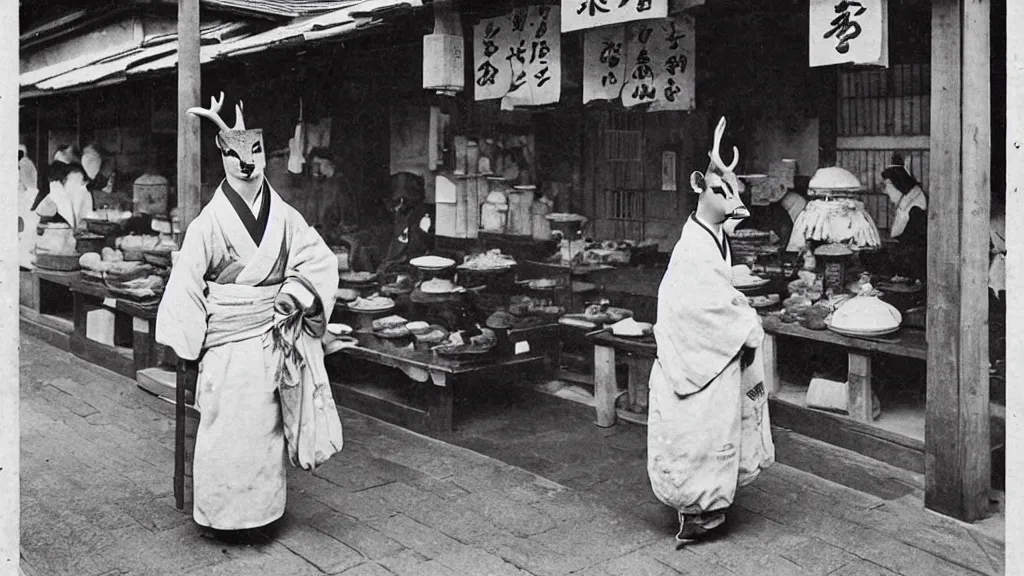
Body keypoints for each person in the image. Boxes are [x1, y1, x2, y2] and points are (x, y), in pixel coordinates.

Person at [156, 93, 343, 533]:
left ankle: (262, 516)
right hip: (226, 339)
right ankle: (219, 517)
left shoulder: (284, 215)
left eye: (254, 151)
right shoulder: (209, 222)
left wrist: (296, 293)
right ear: (223, 157)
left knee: (265, 429)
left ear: (262, 154)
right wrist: (189, 339)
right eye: (235, 153)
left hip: (269, 337)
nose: (246, 163)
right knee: (223, 426)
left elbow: (318, 259)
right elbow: (186, 279)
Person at [648, 118, 774, 543]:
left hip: (713, 352)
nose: (733, 201)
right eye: (722, 191)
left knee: (716, 428)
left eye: (733, 192)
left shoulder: (714, 236)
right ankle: (697, 511)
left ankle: (711, 509)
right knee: (695, 431)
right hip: (695, 353)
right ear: (700, 186)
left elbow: (718, 290)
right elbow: (698, 303)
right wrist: (746, 325)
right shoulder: (693, 248)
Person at [881, 154, 927, 280]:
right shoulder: (905, 203)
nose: (885, 191)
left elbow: (913, 247)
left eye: (887, 185)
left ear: (898, 185)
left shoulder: (916, 209)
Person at [35, 162, 93, 231]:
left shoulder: (79, 196)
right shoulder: (52, 201)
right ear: (63, 182)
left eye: (81, 182)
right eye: (75, 182)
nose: (81, 187)